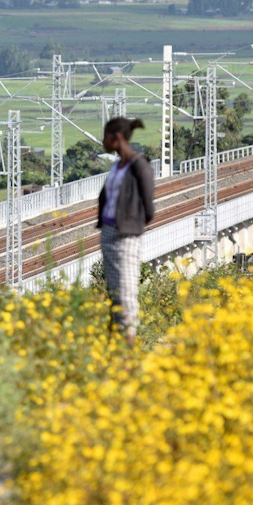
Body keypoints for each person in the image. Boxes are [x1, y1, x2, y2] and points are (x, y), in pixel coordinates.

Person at [97, 117, 156, 345]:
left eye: (105, 136)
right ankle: (116, 342)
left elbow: (148, 205)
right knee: (115, 293)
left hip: (126, 236)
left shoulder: (139, 165)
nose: (103, 141)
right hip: (109, 234)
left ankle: (128, 346)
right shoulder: (117, 165)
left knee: (127, 292)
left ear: (117, 137)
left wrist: (133, 225)